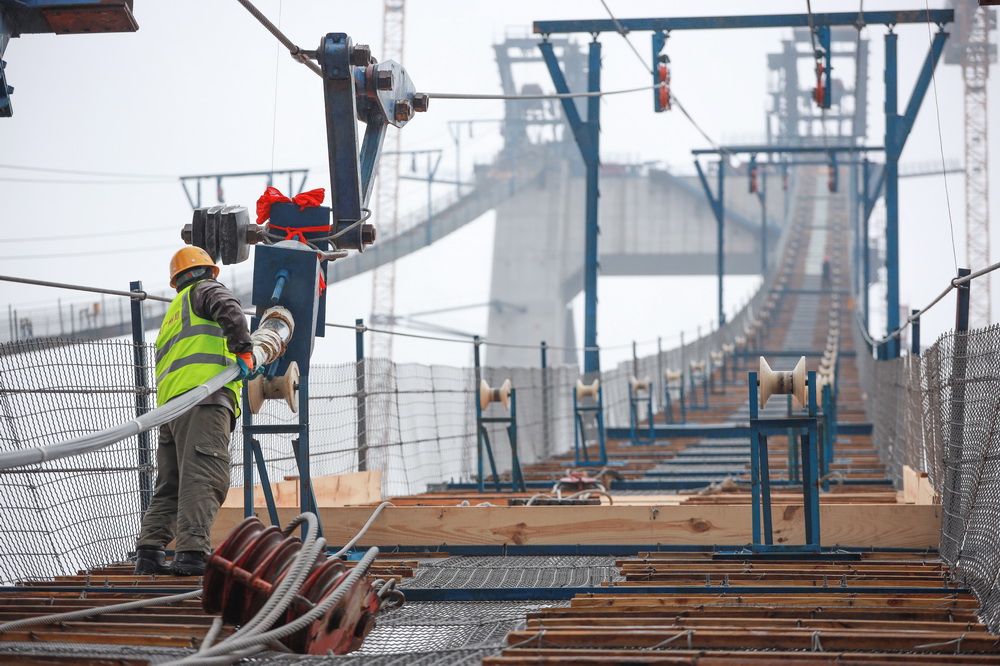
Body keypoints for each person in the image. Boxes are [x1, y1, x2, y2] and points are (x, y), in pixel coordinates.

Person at [134, 247, 255, 576]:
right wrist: (244, 352)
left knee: (170, 483)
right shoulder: (207, 290)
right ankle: (191, 555)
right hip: (204, 401)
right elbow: (229, 308)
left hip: (171, 411)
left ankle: (149, 553)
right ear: (209, 271)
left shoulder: (173, 313)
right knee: (205, 476)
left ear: (176, 280)